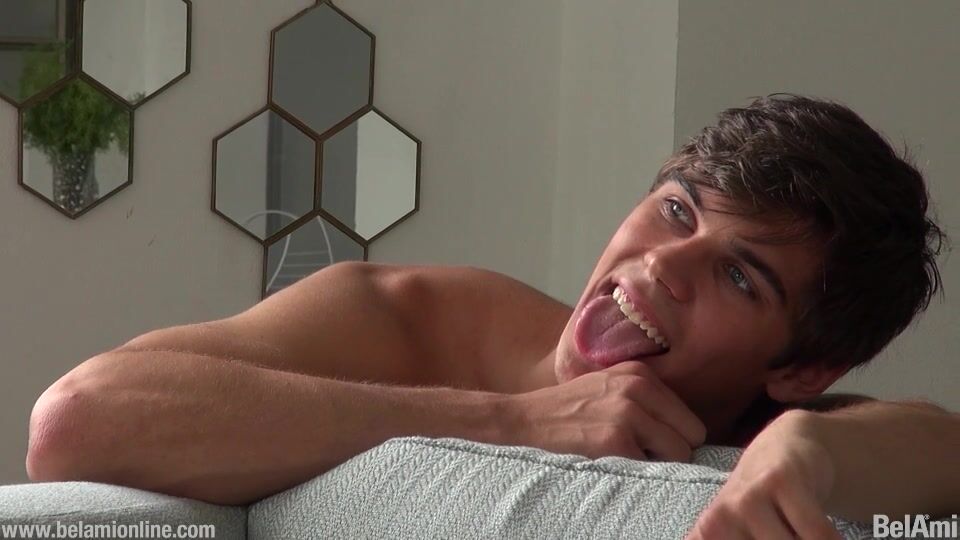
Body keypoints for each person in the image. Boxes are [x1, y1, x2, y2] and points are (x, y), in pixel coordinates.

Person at [26, 94, 958, 538]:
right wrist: (513, 423)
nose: (663, 264)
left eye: (740, 277)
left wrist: (807, 447)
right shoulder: (410, 317)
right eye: (677, 211)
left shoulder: (768, 421)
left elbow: (942, 447)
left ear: (802, 369)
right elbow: (76, 421)